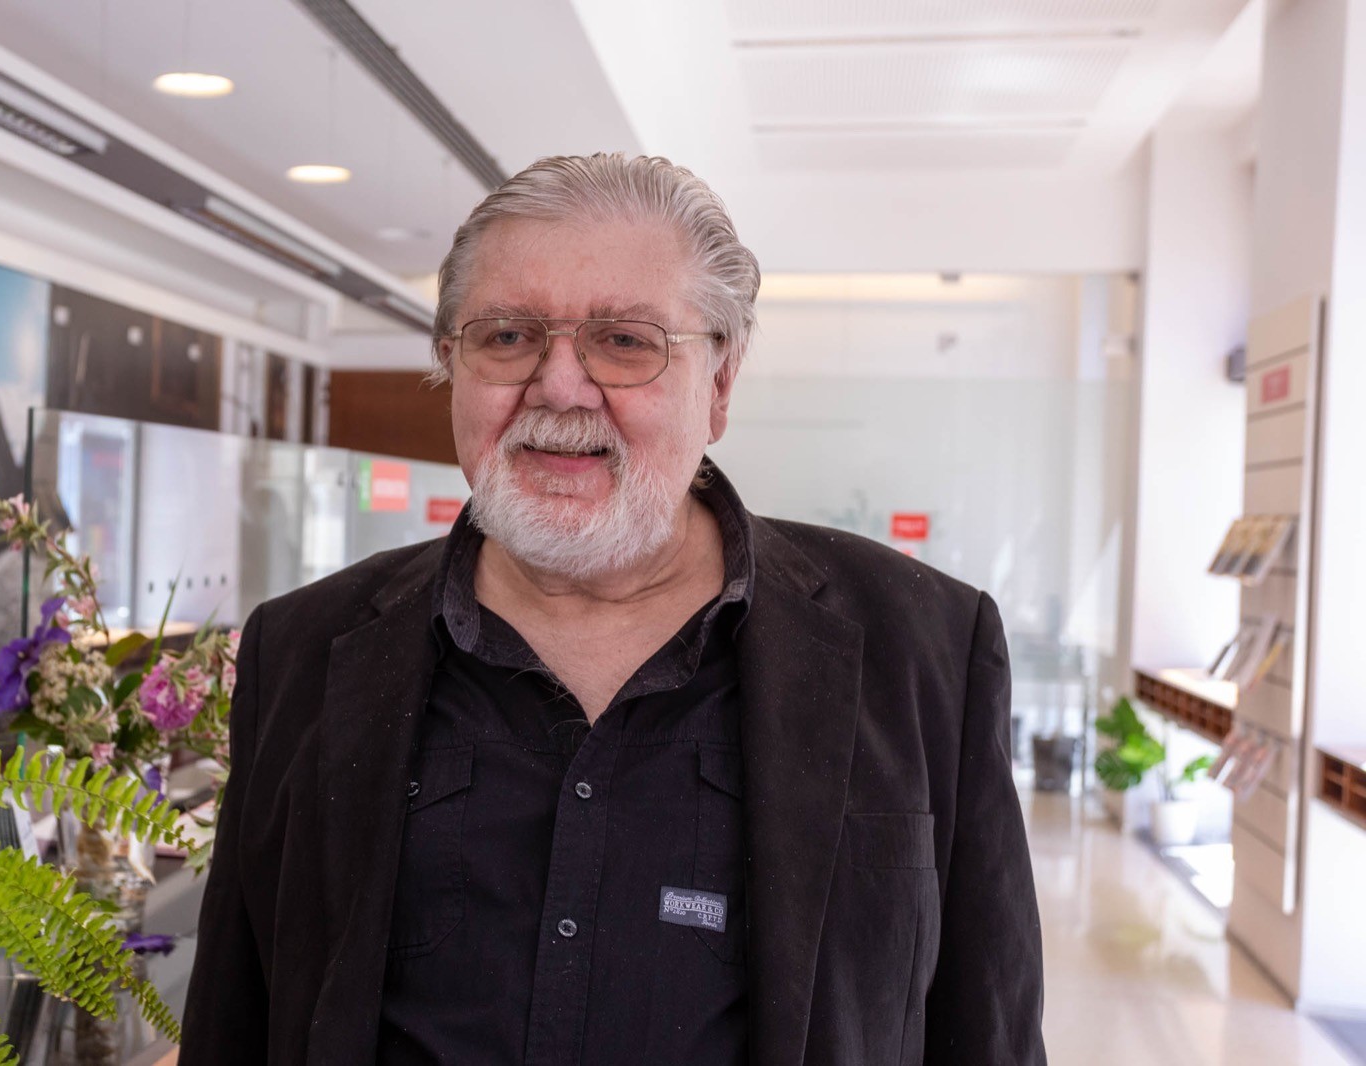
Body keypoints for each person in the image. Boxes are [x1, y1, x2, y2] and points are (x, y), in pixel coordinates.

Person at [182, 153, 1046, 1065]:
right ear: (452, 365)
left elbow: (988, 1033)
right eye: (507, 336)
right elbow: (234, 1025)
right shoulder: (303, 650)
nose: (559, 386)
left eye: (626, 341)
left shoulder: (924, 652)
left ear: (719, 385)